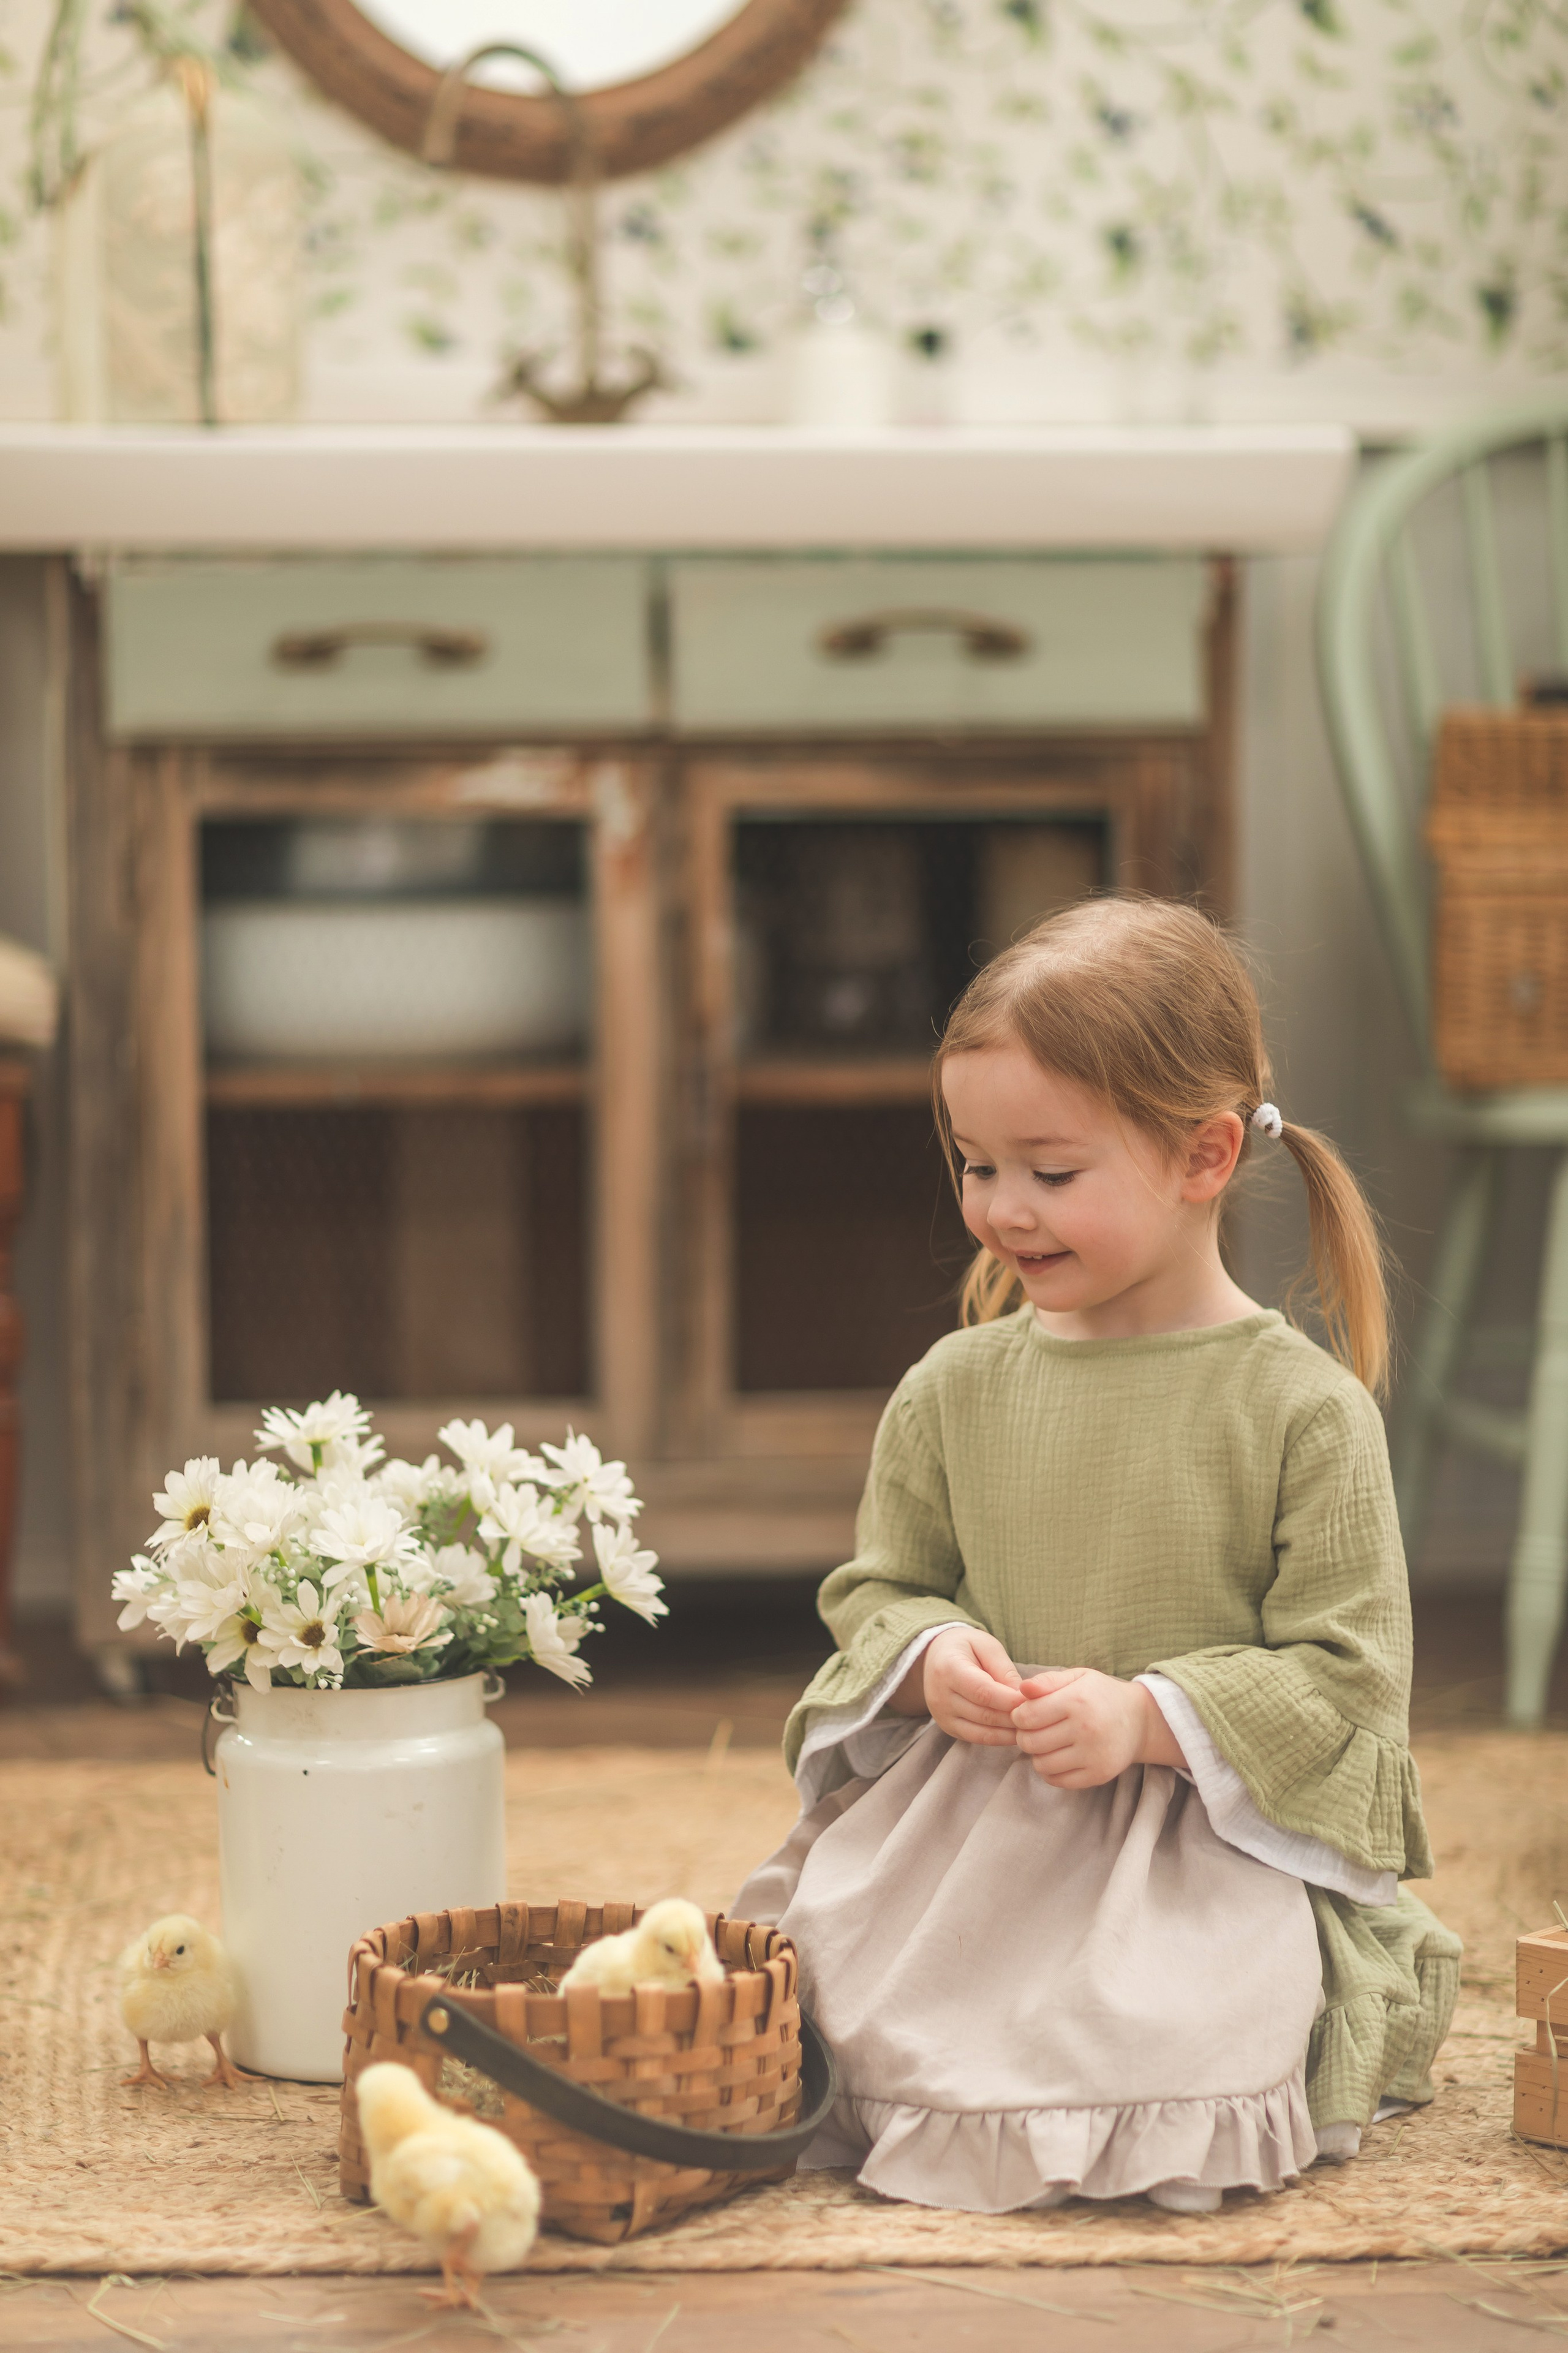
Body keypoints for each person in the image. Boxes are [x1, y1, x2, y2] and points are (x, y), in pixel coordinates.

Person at [734, 896, 1458, 2216]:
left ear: (1201, 1156)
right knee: (807, 1977)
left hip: (1196, 1836)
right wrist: (927, 1656)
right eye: (973, 1164)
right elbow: (880, 1591)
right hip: (975, 1817)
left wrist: (1147, 1717)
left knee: (1165, 2029)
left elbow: (1348, 1676)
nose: (1000, 1210)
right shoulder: (950, 1388)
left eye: (1049, 1172)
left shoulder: (1300, 1410)